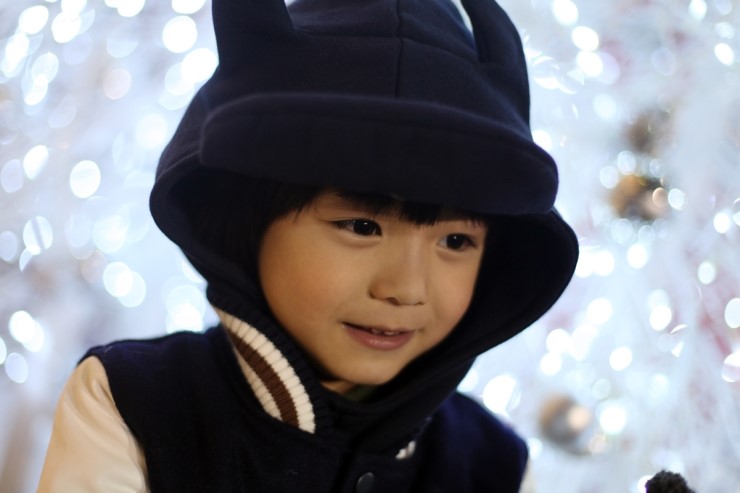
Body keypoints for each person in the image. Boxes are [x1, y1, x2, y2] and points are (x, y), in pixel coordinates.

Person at [37, 0, 579, 491]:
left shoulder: (495, 465)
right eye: (361, 227)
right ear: (248, 220)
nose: (406, 288)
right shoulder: (132, 402)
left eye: (456, 240)